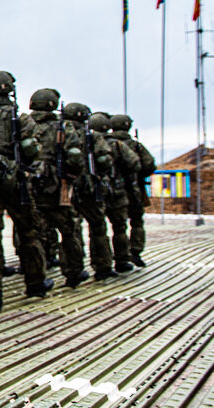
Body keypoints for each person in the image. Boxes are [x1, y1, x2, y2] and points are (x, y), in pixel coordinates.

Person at [0, 71, 53, 310]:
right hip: (15, 181)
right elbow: (32, 151)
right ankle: (36, 283)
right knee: (29, 232)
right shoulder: (20, 118)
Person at [25, 88, 88, 287]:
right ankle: (73, 272)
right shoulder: (61, 127)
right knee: (69, 230)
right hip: (55, 186)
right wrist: (71, 177)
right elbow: (75, 156)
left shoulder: (23, 123)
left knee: (33, 233)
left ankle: (36, 278)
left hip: (29, 185)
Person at [61, 102, 117, 280]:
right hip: (89, 187)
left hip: (66, 187)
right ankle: (103, 266)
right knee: (98, 228)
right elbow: (105, 160)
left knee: (70, 229)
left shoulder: (60, 133)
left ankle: (73, 269)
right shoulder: (92, 136)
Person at [91, 111, 138, 273]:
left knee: (97, 230)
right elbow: (135, 164)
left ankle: (101, 265)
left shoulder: (86, 142)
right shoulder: (117, 144)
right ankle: (122, 260)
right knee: (119, 228)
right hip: (117, 191)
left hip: (94, 191)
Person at [109, 114, 155, 265]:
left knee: (118, 226)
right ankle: (135, 251)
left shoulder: (105, 143)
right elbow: (149, 165)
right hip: (133, 188)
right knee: (136, 221)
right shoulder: (135, 146)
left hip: (112, 189)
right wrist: (138, 175)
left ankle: (120, 256)